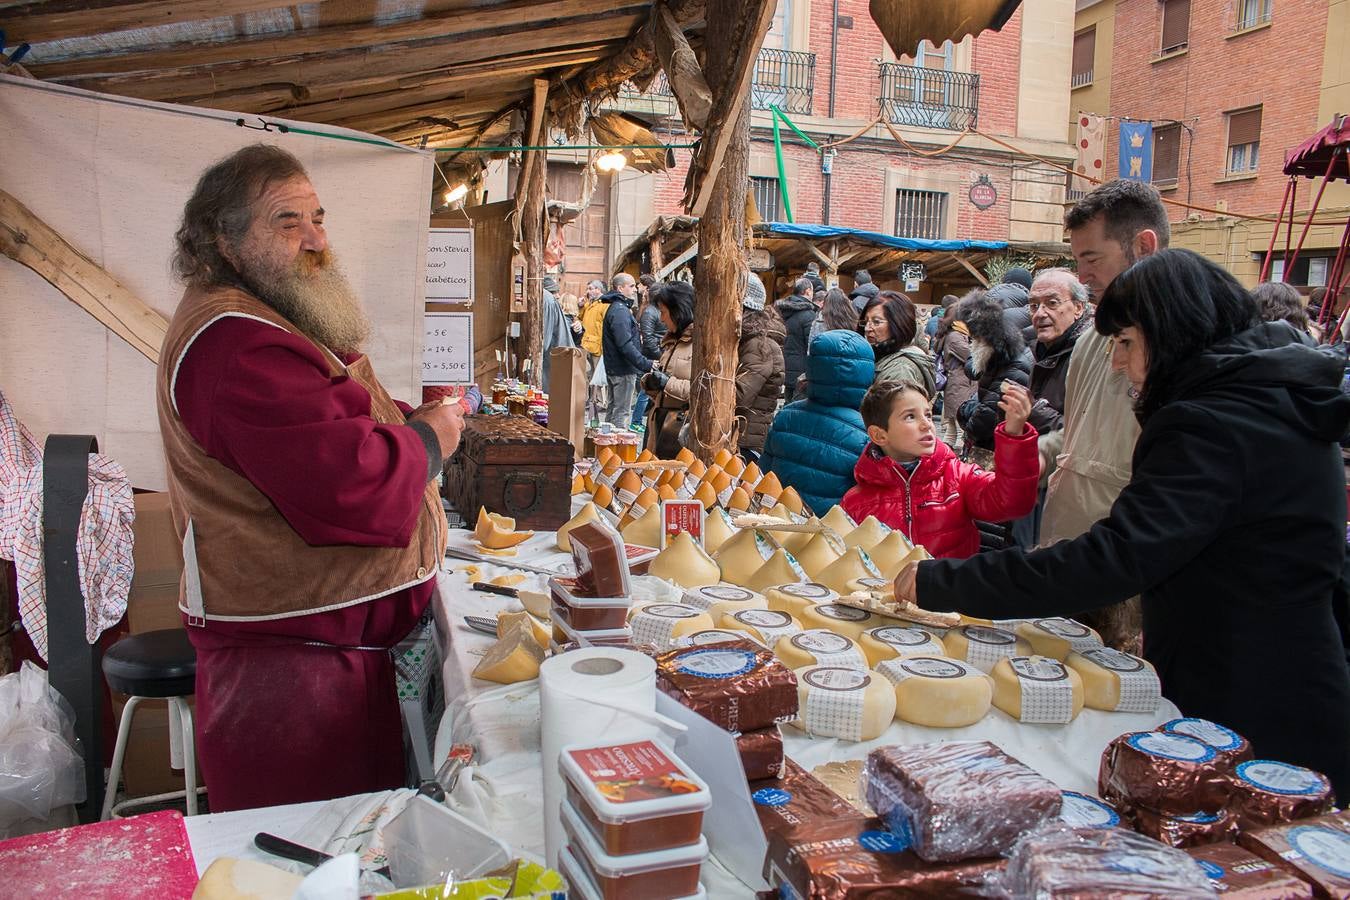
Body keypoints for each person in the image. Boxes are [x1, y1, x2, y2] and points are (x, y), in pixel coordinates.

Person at [894, 249, 1350, 799]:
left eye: (1126, 344)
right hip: (1283, 671)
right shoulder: (1265, 395)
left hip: (1254, 695)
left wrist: (945, 582)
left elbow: (1117, 558)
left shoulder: (1215, 421)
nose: (1117, 364)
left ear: (1171, 334)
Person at [157, 144, 459, 811]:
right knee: (307, 863)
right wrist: (431, 441)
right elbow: (357, 488)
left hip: (331, 663)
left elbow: (333, 418)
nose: (317, 238)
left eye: (318, 216)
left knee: (356, 853)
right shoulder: (237, 346)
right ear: (225, 241)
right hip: (295, 682)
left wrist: (408, 420)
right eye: (288, 222)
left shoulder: (271, 316)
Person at [1040, 180, 1167, 650]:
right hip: (1067, 557)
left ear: (1143, 246)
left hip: (1125, 574)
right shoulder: (1095, 335)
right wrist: (1032, 454)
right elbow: (1078, 435)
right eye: (1077, 261)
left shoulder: (1175, 340)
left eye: (1092, 259)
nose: (1083, 275)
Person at [842, 379, 1039, 557]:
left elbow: (1011, 502)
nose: (926, 424)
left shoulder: (957, 476)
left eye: (928, 414)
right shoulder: (855, 502)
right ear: (879, 435)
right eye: (910, 416)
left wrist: (1014, 433)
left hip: (950, 591)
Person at [760, 330, 874, 513]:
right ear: (866, 373)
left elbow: (765, 473)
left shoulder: (786, 415)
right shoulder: (866, 432)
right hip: (831, 530)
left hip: (779, 521)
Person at [640, 282, 695, 458]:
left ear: (679, 311)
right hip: (660, 425)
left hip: (679, 430)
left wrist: (667, 383)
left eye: (664, 312)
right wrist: (651, 382)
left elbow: (704, 391)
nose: (661, 318)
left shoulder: (700, 345)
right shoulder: (671, 341)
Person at [735, 276, 786, 456]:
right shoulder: (748, 340)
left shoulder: (759, 345)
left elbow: (740, 396)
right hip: (739, 436)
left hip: (745, 441)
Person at [860, 291, 936, 397]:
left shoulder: (900, 370)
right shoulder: (882, 357)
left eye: (876, 322)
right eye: (865, 321)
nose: (867, 328)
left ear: (899, 324)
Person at [600, 273, 652, 425]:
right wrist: (644, 363)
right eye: (631, 286)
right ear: (620, 288)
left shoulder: (618, 308)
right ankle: (614, 447)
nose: (635, 289)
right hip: (622, 369)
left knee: (614, 409)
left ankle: (608, 445)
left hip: (617, 367)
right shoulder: (620, 310)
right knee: (620, 412)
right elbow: (625, 344)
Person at [935, 296, 977, 451]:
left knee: (952, 431)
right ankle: (959, 463)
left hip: (958, 385)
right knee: (961, 429)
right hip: (960, 385)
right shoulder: (955, 337)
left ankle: (945, 458)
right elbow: (971, 355)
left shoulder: (955, 335)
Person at [632, 277, 667, 428]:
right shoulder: (650, 313)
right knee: (645, 392)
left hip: (659, 354)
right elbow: (648, 339)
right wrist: (659, 356)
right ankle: (636, 421)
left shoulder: (656, 311)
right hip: (653, 356)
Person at [776, 277, 817, 402]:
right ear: (808, 291)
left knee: (787, 404)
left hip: (784, 365)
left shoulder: (781, 310)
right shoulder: (809, 314)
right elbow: (812, 345)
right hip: (801, 371)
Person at [540, 274, 572, 384]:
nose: (558, 296)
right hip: (559, 355)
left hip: (555, 356)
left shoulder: (547, 300)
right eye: (555, 292)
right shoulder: (548, 299)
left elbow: (545, 340)